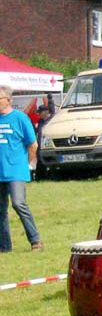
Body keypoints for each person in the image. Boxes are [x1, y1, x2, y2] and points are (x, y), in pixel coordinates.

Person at [0, 85, 41, 252]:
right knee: (0, 210)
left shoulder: (20, 118)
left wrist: (27, 165)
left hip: (16, 171)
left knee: (18, 204)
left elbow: (33, 144)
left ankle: (35, 240)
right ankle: (4, 247)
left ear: (8, 100)